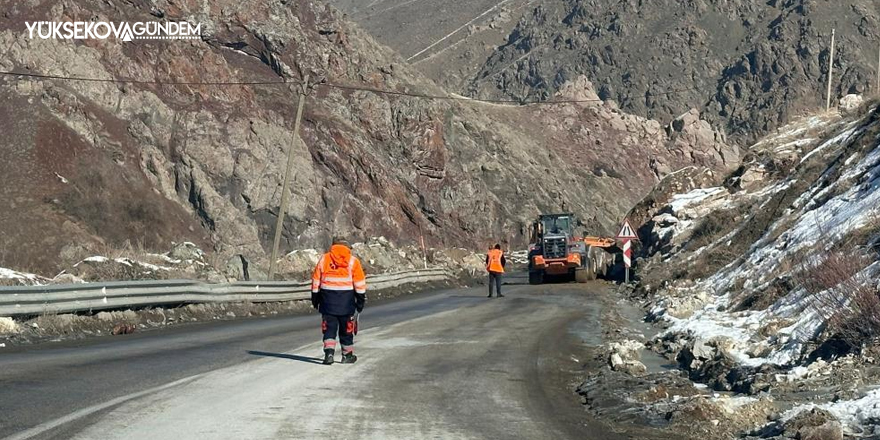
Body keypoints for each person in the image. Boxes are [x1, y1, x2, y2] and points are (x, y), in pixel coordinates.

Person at [311, 238, 367, 365]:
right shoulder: (353, 262)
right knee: (346, 330)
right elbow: (360, 284)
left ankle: (329, 353)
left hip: (327, 302)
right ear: (347, 247)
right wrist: (360, 302)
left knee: (329, 329)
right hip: (346, 304)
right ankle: (347, 355)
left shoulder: (324, 259)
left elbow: (316, 280)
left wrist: (315, 298)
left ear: (333, 246)